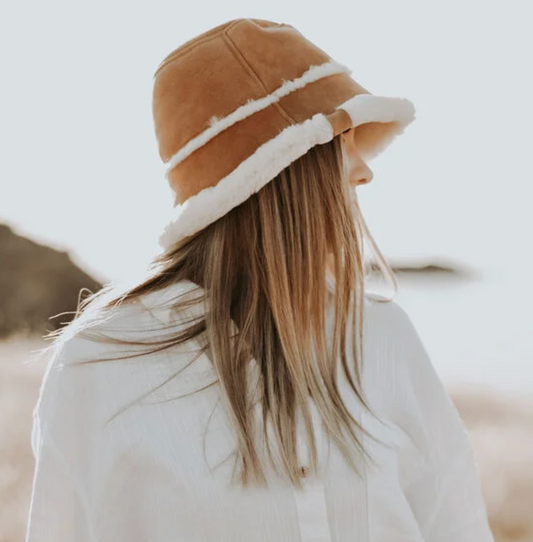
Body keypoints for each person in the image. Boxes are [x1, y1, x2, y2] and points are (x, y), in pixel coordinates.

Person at [25, 17, 494, 542]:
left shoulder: (383, 336)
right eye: (344, 138)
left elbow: (457, 526)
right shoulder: (102, 361)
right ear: (284, 168)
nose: (365, 171)